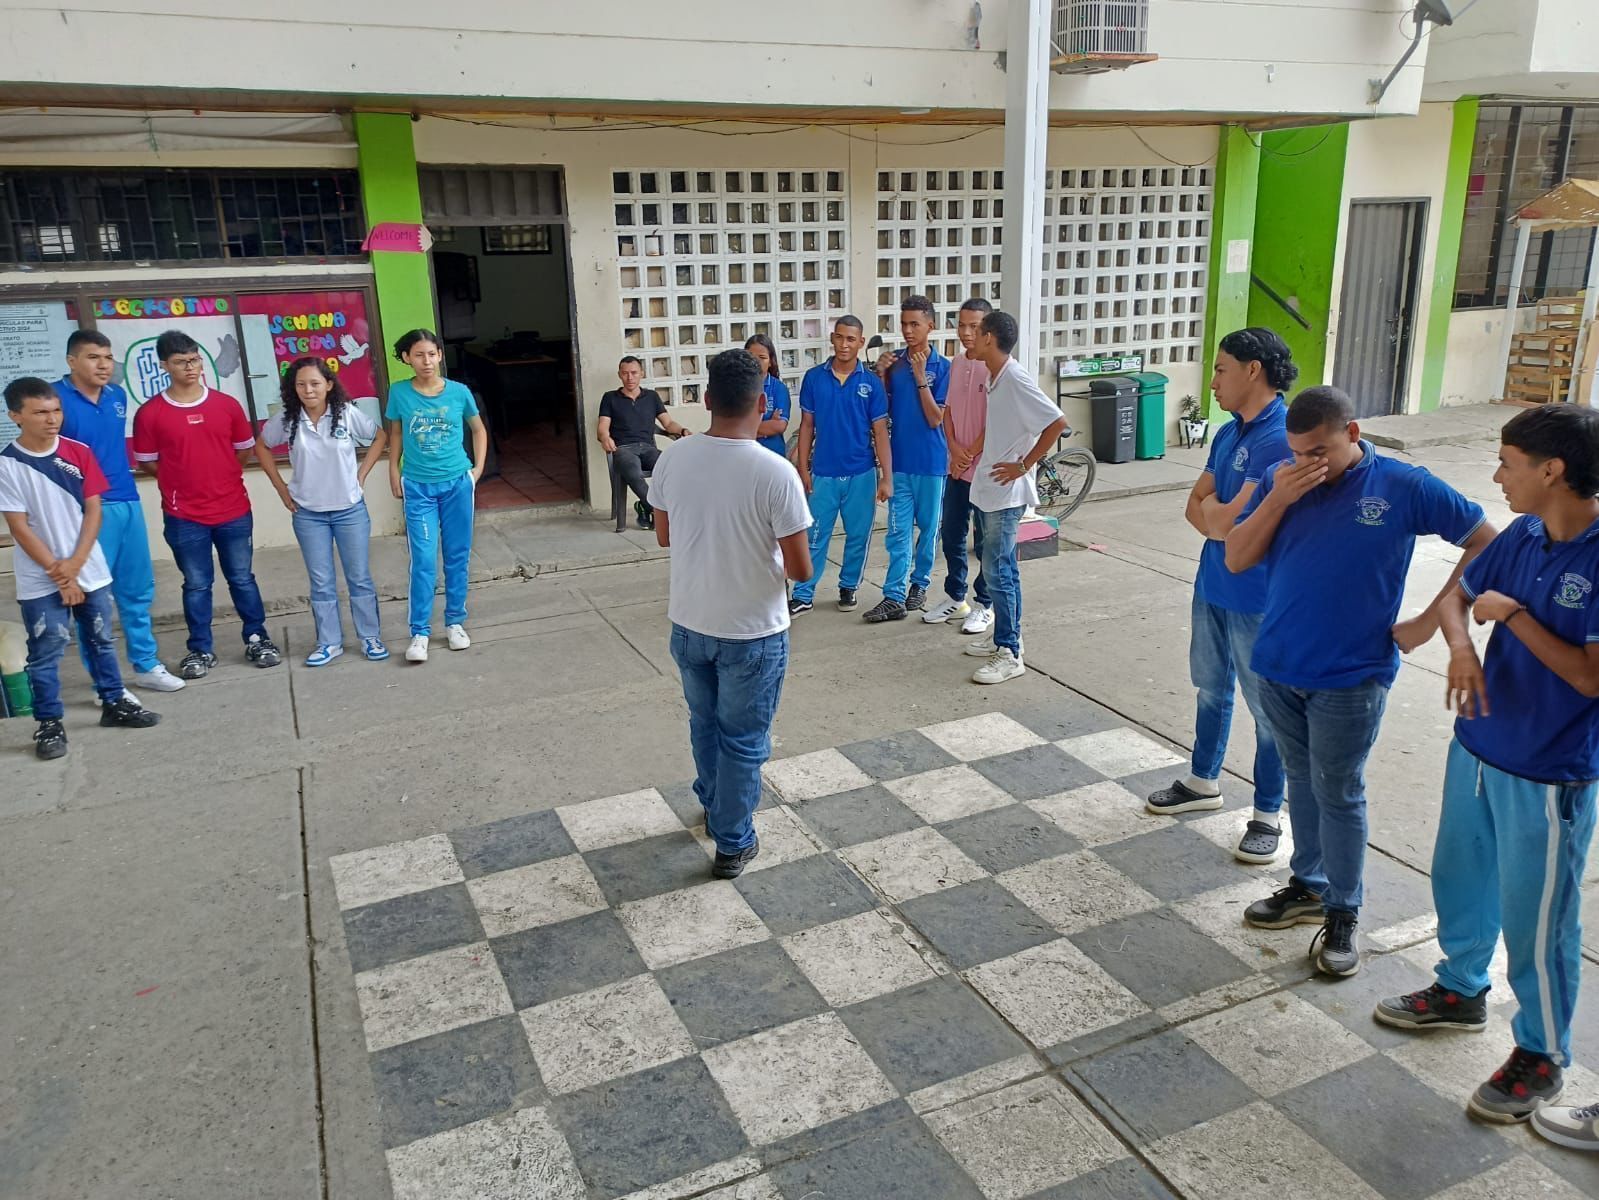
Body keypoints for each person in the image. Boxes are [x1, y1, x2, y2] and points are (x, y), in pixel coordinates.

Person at [1374, 406, 1599, 1132]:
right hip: (1475, 745)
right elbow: (1460, 600)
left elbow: (1589, 679)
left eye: (1507, 463)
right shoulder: (1525, 533)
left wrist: (1516, 619)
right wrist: (1463, 647)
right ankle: (1459, 989)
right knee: (1458, 880)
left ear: (1551, 471)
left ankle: (1541, 1054)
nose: (1497, 476)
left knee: (1538, 921)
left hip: (1548, 773)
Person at [1225, 386, 1495, 978]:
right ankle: (1309, 884)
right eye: (1298, 453)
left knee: (1340, 790)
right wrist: (1276, 499)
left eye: (1318, 451)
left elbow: (1485, 540)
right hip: (1279, 666)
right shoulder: (1281, 479)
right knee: (1302, 780)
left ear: (1351, 434)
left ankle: (1344, 912)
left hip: (1352, 675)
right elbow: (1236, 558)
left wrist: (1430, 621)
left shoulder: (1403, 486)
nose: (1307, 464)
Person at [649, 349, 812, 878]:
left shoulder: (674, 457)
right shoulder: (775, 471)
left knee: (705, 723)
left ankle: (715, 803)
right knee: (743, 738)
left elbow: (665, 535)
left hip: (690, 623)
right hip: (753, 632)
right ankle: (733, 841)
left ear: (706, 399)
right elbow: (801, 570)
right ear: (761, 402)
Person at [1146, 329, 1295, 865]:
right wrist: (1218, 518)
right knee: (1211, 687)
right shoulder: (1230, 433)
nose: (1212, 382)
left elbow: (1233, 521)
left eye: (1221, 369)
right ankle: (1203, 780)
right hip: (1212, 584)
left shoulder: (1281, 437)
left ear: (1253, 370)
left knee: (1268, 708)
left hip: (1258, 596)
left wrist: (1217, 516)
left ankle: (1268, 814)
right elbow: (1198, 508)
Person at [1, 378, 160, 759]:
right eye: (40, 412)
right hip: (41, 578)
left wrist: (74, 566)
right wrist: (59, 573)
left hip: (89, 568)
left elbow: (94, 510)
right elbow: (19, 526)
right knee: (47, 648)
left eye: (55, 410)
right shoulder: (8, 465)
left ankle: (113, 703)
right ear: (16, 416)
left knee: (101, 639)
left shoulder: (78, 452)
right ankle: (49, 724)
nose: (51, 419)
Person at [131, 330, 280, 678]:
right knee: (197, 584)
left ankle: (257, 638)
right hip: (185, 517)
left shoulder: (226, 405)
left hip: (233, 511)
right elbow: (148, 462)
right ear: (165, 365)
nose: (190, 367)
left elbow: (243, 450)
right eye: (181, 362)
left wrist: (222, 476)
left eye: (195, 359)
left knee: (242, 578)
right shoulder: (150, 414)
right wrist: (181, 483)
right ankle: (200, 648)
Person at [54, 331, 185, 695]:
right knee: (94, 598)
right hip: (86, 508)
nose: (103, 365)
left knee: (137, 590)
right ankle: (104, 682)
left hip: (126, 499)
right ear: (72, 361)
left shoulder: (117, 395)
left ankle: (145, 665)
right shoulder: (55, 399)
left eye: (108, 358)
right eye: (94, 357)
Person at [255, 357, 389, 667]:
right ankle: (329, 642)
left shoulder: (345, 414)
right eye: (301, 384)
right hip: (308, 513)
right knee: (321, 581)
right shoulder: (288, 420)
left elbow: (380, 437)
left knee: (359, 577)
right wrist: (280, 488)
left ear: (329, 385)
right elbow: (261, 447)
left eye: (315, 383)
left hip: (349, 510)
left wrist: (362, 474)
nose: (308, 390)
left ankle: (370, 636)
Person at [966, 310, 1068, 685]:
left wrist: (1024, 465)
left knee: (999, 572)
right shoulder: (995, 378)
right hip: (989, 491)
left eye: (975, 331)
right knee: (999, 569)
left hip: (1007, 496)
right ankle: (1004, 641)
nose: (968, 338)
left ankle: (1009, 651)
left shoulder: (1016, 378)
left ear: (990, 337)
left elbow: (1057, 422)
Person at [385, 329, 488, 665]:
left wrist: (477, 470)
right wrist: (393, 471)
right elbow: (396, 433)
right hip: (418, 487)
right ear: (406, 358)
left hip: (458, 483)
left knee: (457, 556)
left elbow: (478, 429)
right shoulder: (399, 392)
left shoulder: (459, 392)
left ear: (440, 355)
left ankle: (455, 622)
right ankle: (420, 632)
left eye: (431, 354)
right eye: (418, 355)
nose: (426, 361)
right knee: (424, 561)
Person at [788, 316, 891, 616]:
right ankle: (803, 593)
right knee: (815, 535)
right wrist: (803, 469)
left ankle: (849, 586)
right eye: (840, 338)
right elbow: (807, 426)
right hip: (823, 473)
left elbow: (880, 431)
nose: (845, 344)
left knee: (858, 535)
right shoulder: (814, 378)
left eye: (851, 339)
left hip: (862, 473)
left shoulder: (870, 383)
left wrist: (886, 477)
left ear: (861, 342)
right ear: (832, 339)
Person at [866, 295, 950, 624]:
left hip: (931, 463)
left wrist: (919, 376)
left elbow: (935, 418)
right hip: (899, 462)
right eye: (904, 324)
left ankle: (920, 583)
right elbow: (880, 411)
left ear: (931, 325)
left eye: (915, 324)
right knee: (898, 531)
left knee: (928, 529)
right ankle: (894, 595)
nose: (908, 330)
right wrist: (882, 376)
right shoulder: (895, 363)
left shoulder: (944, 368)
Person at [921, 298, 994, 635]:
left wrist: (972, 451)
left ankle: (985, 603)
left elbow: (996, 417)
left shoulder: (994, 366)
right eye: (961, 325)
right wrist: (954, 448)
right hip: (957, 467)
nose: (966, 333)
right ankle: (955, 595)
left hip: (984, 469)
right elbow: (947, 410)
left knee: (985, 542)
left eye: (974, 326)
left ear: (988, 329)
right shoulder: (958, 363)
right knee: (951, 533)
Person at [596, 356, 690, 529]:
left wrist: (682, 430)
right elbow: (603, 427)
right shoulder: (610, 398)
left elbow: (668, 423)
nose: (629, 377)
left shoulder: (652, 397)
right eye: (625, 373)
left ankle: (647, 507)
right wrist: (605, 437)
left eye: (634, 373)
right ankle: (659, 512)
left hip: (648, 448)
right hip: (623, 449)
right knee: (632, 469)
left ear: (641, 374)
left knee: (670, 467)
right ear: (619, 375)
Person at [745, 334, 791, 458]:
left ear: (771, 361)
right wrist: (766, 426)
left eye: (762, 357)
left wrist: (746, 429)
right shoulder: (738, 388)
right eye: (751, 357)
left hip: (774, 456)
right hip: (745, 456)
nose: (756, 362)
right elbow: (731, 426)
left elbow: (779, 425)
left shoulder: (779, 389)